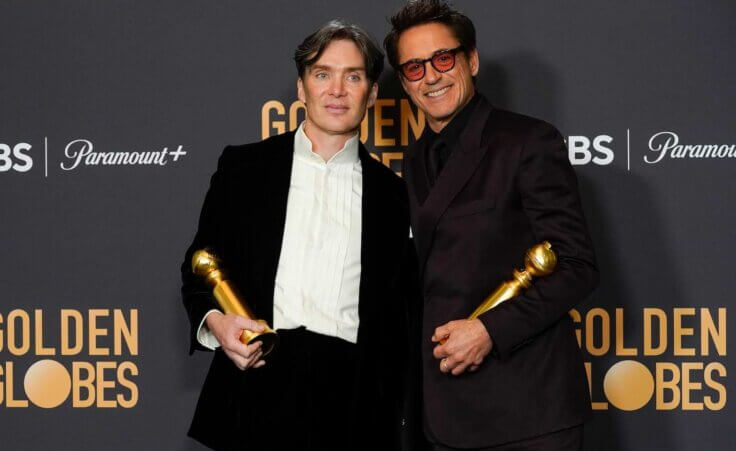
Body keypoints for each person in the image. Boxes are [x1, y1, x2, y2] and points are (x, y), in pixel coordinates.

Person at [181, 20, 417, 451]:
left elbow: (405, 312)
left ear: (372, 94)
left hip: (357, 402)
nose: (337, 89)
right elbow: (199, 263)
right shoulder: (244, 168)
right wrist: (218, 322)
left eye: (354, 76)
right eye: (322, 74)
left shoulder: (396, 195)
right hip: (256, 385)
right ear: (302, 88)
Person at [384, 1, 599, 450]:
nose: (432, 76)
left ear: (471, 60)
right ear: (404, 83)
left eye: (443, 58)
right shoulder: (416, 159)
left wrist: (489, 331)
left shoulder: (527, 141)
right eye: (415, 67)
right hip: (443, 415)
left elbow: (576, 264)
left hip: (527, 412)